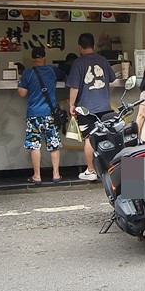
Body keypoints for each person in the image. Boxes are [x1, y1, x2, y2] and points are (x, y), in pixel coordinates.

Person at [67, 33, 116, 181]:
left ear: (80, 47)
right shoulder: (103, 60)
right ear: (94, 46)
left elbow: (74, 87)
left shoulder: (78, 63)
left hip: (86, 108)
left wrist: (71, 105)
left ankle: (91, 170)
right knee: (104, 137)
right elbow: (113, 78)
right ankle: (109, 170)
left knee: (89, 138)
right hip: (105, 106)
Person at [18, 47, 62, 184]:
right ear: (44, 57)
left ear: (32, 59)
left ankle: (37, 176)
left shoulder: (27, 73)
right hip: (50, 114)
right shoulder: (52, 70)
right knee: (54, 144)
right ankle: (56, 174)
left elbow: (22, 93)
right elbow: (65, 77)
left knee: (35, 145)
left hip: (34, 115)